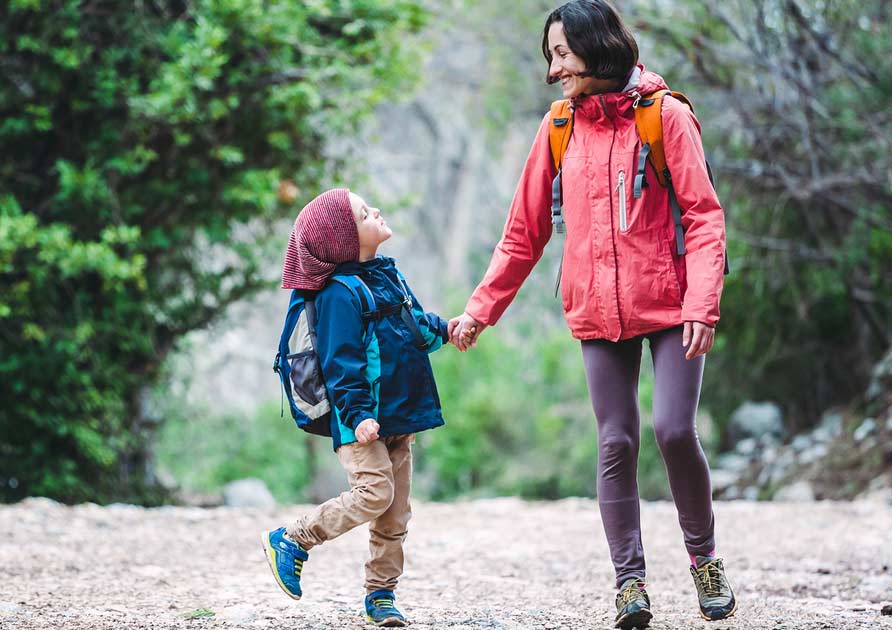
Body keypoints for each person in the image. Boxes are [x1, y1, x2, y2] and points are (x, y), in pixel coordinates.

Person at [448, 1, 735, 627]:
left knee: (674, 430)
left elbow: (705, 217)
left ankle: (704, 559)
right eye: (550, 56)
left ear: (596, 46)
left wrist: (702, 305)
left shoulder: (666, 116)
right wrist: (480, 311)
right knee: (615, 440)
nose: (554, 70)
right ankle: (629, 583)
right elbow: (523, 234)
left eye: (562, 54)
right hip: (596, 308)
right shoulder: (558, 127)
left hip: (671, 303)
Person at [264, 188, 451, 628]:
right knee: (375, 493)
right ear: (347, 240)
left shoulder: (387, 275)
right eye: (365, 214)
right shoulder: (337, 295)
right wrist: (359, 414)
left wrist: (448, 329)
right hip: (360, 420)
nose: (378, 212)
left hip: (400, 413)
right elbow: (340, 363)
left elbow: (413, 324)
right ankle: (293, 539)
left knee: (395, 511)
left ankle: (381, 595)